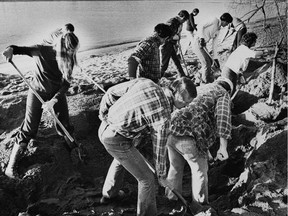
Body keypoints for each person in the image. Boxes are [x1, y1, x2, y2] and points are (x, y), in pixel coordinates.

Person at [98, 77, 197, 216]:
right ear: (175, 94)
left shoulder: (147, 83)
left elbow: (110, 92)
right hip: (117, 139)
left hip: (106, 127)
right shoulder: (163, 117)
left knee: (121, 159)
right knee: (147, 179)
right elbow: (159, 148)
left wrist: (103, 115)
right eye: (185, 102)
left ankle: (109, 195)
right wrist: (161, 175)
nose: (186, 106)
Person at [2, 26, 80, 179]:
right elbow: (18, 49)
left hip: (56, 92)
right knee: (29, 128)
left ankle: (74, 149)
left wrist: (54, 100)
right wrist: (9, 50)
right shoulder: (41, 50)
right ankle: (10, 167)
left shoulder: (70, 55)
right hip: (36, 91)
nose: (70, 55)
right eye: (68, 52)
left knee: (64, 124)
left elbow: (66, 83)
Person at [165, 77, 233, 214]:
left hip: (171, 130)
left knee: (175, 167)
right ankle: (199, 207)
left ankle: (170, 201)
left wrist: (205, 150)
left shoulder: (201, 89)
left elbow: (199, 115)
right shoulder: (222, 94)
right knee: (199, 171)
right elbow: (223, 117)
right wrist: (223, 147)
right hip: (189, 135)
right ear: (229, 90)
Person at [192, 13, 233, 84]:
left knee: (210, 62)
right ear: (224, 20)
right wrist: (201, 38)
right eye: (227, 23)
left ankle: (199, 77)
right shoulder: (214, 20)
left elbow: (214, 45)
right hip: (198, 42)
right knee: (206, 63)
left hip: (203, 44)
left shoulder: (218, 30)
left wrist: (215, 58)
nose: (227, 25)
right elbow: (200, 26)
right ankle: (205, 82)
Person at [160, 10, 189, 78]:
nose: (184, 22)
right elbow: (165, 35)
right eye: (184, 20)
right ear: (182, 17)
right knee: (164, 65)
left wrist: (177, 42)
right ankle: (157, 78)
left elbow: (178, 32)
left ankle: (182, 76)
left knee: (176, 61)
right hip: (166, 44)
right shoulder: (171, 22)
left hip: (172, 44)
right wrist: (175, 37)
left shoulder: (179, 23)